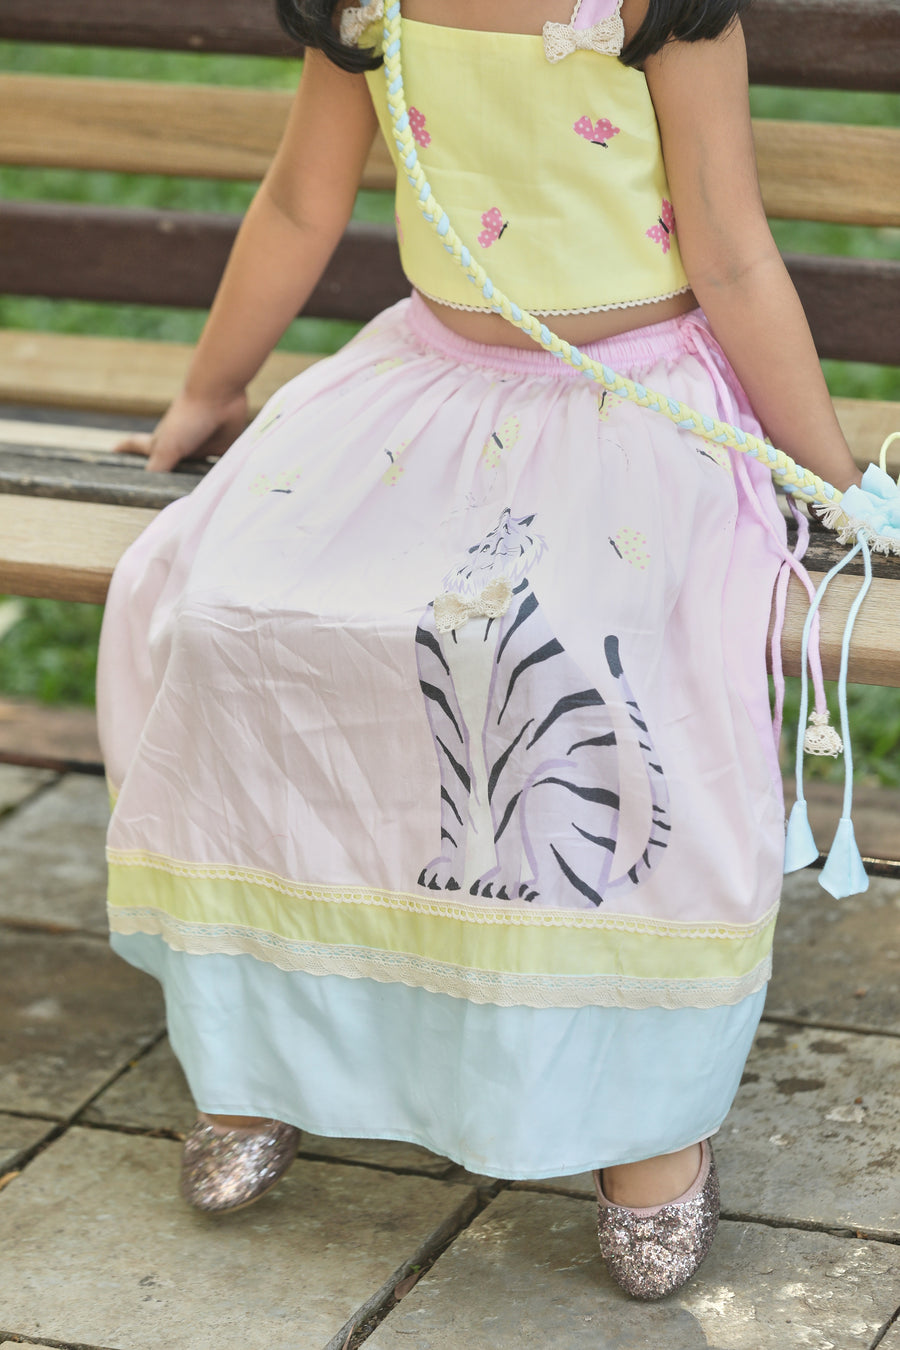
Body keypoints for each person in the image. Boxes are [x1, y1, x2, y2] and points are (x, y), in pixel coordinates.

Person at [97, 0, 863, 1300]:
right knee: (230, 613)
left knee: (592, 659)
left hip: (626, 403)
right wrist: (206, 390)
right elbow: (299, 201)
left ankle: (647, 1120)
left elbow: (730, 253)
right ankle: (264, 1051)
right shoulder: (371, 5)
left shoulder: (656, 14)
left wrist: (827, 475)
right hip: (423, 396)